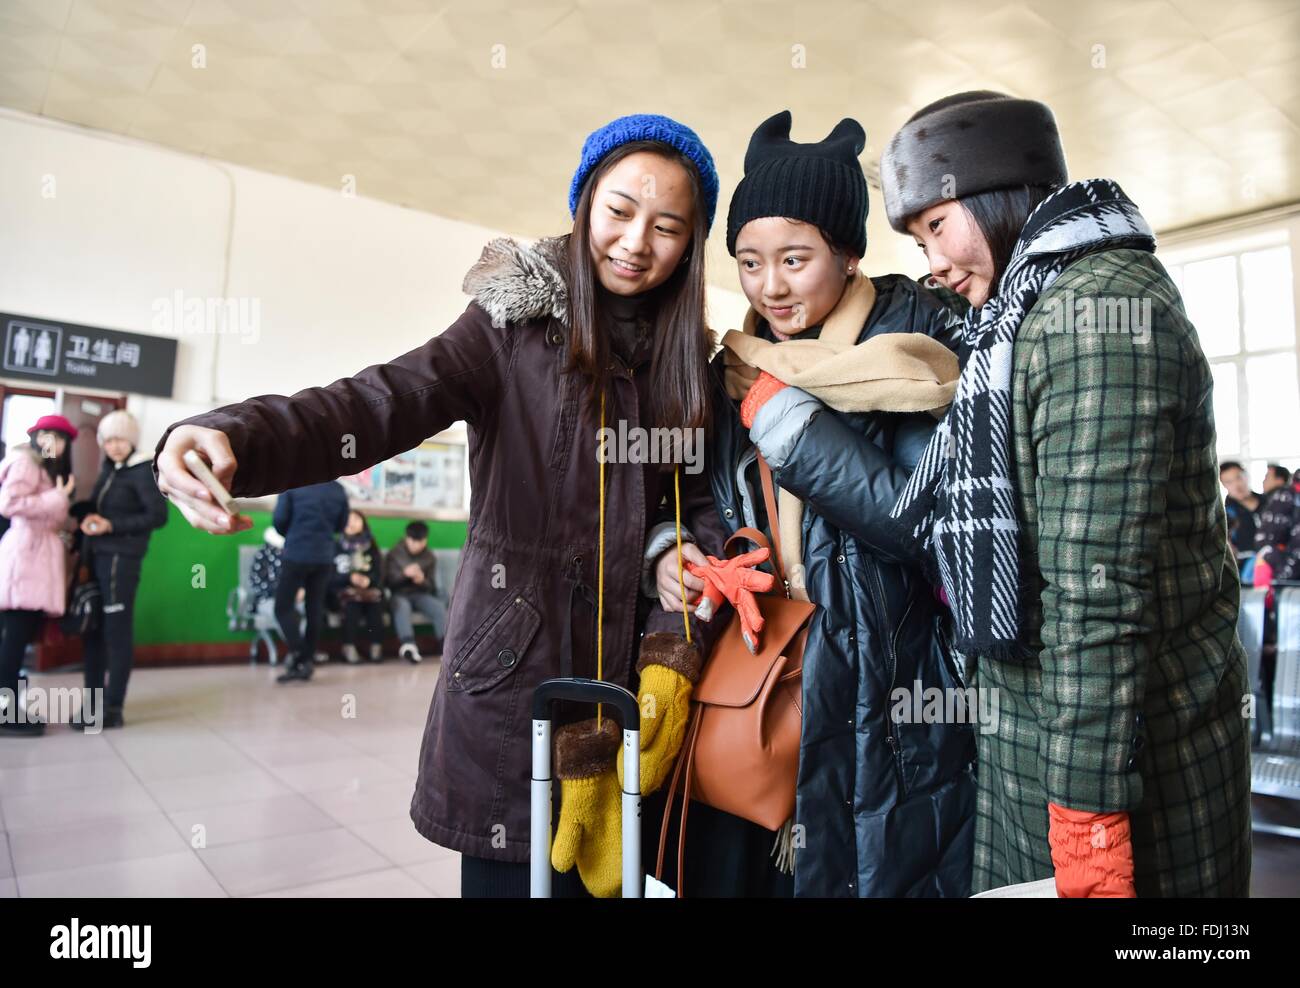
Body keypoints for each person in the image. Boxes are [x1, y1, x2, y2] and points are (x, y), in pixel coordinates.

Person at [152, 114, 731, 897]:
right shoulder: (509, 327)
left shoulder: (688, 360)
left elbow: (693, 495)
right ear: (585, 202)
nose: (636, 242)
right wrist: (229, 434)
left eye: (668, 226)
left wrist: (673, 549)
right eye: (620, 210)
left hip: (632, 687)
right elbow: (374, 403)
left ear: (691, 244)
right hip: (513, 670)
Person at [882, 90, 1251, 897]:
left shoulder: (1096, 315)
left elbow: (1097, 593)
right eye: (919, 242)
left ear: (998, 194)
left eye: (937, 226)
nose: (935, 264)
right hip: (1044, 750)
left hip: (1124, 769)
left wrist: (1088, 818)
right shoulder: (1030, 310)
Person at [678, 110, 975, 897]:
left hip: (892, 694)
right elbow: (709, 508)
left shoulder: (921, 345)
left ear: (848, 253)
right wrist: (684, 556)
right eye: (748, 261)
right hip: (763, 679)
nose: (769, 286)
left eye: (795, 258)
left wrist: (790, 424)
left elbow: (925, 522)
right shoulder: (735, 368)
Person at [68, 410, 168, 729]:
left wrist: (111, 524)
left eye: (120, 439)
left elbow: (158, 516)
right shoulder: (110, 470)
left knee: (116, 634)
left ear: (132, 440)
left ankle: (112, 708)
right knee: (94, 633)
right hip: (98, 558)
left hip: (121, 561)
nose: (114, 446)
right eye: (108, 440)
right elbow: (100, 506)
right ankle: (93, 704)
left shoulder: (142, 471)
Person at [0, 414, 77, 737]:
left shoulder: (48, 471)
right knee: (13, 640)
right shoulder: (26, 463)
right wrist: (58, 498)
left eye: (59, 439)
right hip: (26, 559)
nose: (52, 443)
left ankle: (9, 708)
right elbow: (10, 503)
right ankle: (6, 712)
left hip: (36, 558)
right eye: (46, 436)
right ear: (35, 438)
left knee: (18, 639)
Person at [270, 480, 349, 682]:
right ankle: (306, 661)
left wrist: (296, 532)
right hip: (323, 556)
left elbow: (279, 520)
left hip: (296, 552)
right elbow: (341, 524)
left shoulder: (293, 484)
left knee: (282, 607)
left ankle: (298, 652)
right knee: (314, 608)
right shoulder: (338, 489)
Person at [383, 520, 443, 664]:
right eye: (413, 541)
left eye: (420, 541)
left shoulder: (429, 557)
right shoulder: (394, 553)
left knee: (438, 607)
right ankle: (408, 646)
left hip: (420, 594)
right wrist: (404, 575)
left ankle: (446, 647)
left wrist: (421, 580)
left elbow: (431, 586)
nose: (416, 545)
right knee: (401, 607)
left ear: (425, 540)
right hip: (399, 594)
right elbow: (387, 582)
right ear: (406, 538)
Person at [331, 509, 385, 663]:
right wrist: (349, 577)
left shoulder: (371, 546)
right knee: (351, 603)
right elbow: (328, 577)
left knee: (376, 603)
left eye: (356, 519)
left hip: (367, 592)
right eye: (347, 519)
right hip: (342, 591)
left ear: (363, 524)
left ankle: (376, 647)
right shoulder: (335, 546)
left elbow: (379, 573)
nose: (351, 523)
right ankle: (348, 647)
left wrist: (368, 581)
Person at [1220, 460, 1262, 570]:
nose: (1237, 485)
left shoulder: (1271, 503)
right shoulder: (1225, 515)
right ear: (1224, 485)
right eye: (1229, 482)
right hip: (1244, 572)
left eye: (1238, 478)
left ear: (1246, 476)